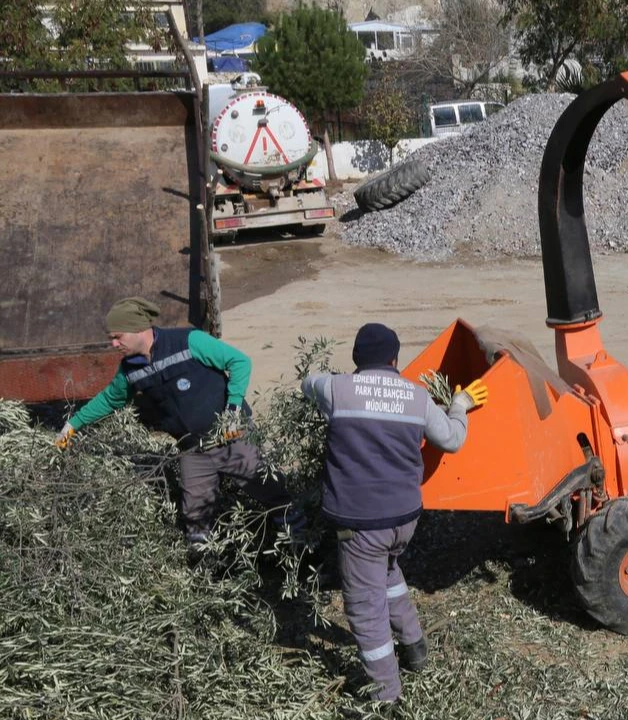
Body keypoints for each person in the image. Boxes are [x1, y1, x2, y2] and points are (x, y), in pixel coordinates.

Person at [301, 322, 487, 703]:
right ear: (394, 360)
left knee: (365, 609)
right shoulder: (417, 397)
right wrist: (460, 404)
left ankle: (386, 696)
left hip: (361, 524)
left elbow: (308, 383)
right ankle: (415, 647)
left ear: (357, 359)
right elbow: (452, 439)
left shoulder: (337, 389)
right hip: (404, 519)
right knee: (388, 573)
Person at [55, 297, 298, 545]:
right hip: (192, 449)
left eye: (118, 336)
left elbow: (239, 361)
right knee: (195, 516)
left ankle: (301, 544)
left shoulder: (189, 341)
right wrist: (72, 425)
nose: (113, 343)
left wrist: (233, 410)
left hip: (231, 437)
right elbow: (110, 399)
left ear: (139, 329)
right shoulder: (129, 369)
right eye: (111, 338)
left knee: (271, 491)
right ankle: (204, 563)